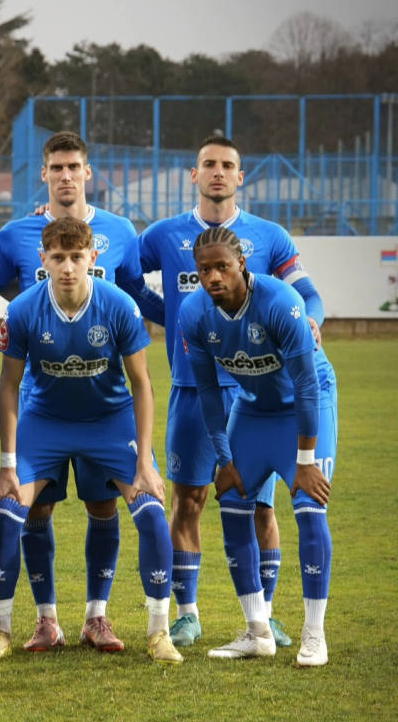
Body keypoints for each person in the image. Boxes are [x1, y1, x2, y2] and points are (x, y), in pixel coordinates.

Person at [0, 131, 164, 652]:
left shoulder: (120, 233)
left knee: (107, 508)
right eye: (58, 167)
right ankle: (39, 621)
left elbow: (137, 294)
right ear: (45, 174)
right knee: (30, 510)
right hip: (44, 409)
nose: (67, 174)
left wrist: (189, 320)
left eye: (75, 165)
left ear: (87, 172)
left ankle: (105, 618)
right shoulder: (15, 239)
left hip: (106, 412)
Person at [138, 135, 325, 648]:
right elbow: (125, 279)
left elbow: (306, 292)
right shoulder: (161, 235)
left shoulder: (269, 236)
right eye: (208, 165)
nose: (217, 172)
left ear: (241, 177)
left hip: (255, 394)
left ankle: (262, 617)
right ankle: (188, 612)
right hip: (192, 387)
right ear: (192, 175)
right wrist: (169, 318)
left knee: (259, 505)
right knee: (189, 499)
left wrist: (311, 320)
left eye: (228, 165)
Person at [178, 226, 335, 666]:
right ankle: (257, 630)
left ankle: (314, 634)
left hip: (307, 406)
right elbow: (208, 391)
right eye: (204, 269)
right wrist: (223, 460)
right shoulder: (194, 315)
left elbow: (305, 383)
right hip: (252, 409)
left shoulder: (281, 302)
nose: (213, 277)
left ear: (242, 265)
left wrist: (305, 460)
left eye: (222, 267)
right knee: (232, 501)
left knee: (309, 505)